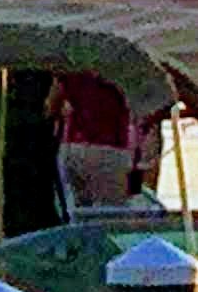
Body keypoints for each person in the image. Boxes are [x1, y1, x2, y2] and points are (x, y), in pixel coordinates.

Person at [50, 69, 138, 213]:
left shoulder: (71, 65)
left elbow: (51, 106)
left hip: (72, 147)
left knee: (78, 213)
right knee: (114, 215)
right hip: (112, 148)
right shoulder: (122, 65)